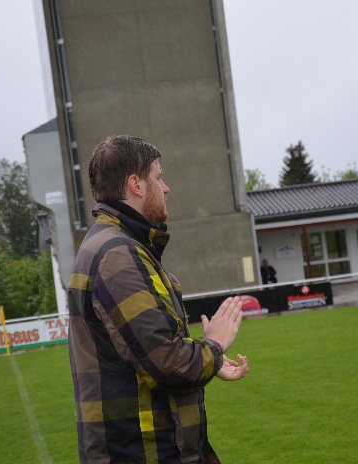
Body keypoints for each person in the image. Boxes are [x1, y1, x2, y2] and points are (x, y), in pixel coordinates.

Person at [67, 135, 249, 464]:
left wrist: (210, 362)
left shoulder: (112, 244)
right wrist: (215, 345)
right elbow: (168, 363)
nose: (166, 188)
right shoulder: (117, 255)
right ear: (136, 184)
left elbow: (146, 348)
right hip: (144, 451)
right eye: (158, 177)